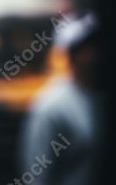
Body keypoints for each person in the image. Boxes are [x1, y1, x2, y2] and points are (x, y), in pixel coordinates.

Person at [19, 14, 101, 184]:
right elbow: (36, 176)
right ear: (74, 55)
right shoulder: (53, 107)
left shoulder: (102, 97)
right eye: (89, 47)